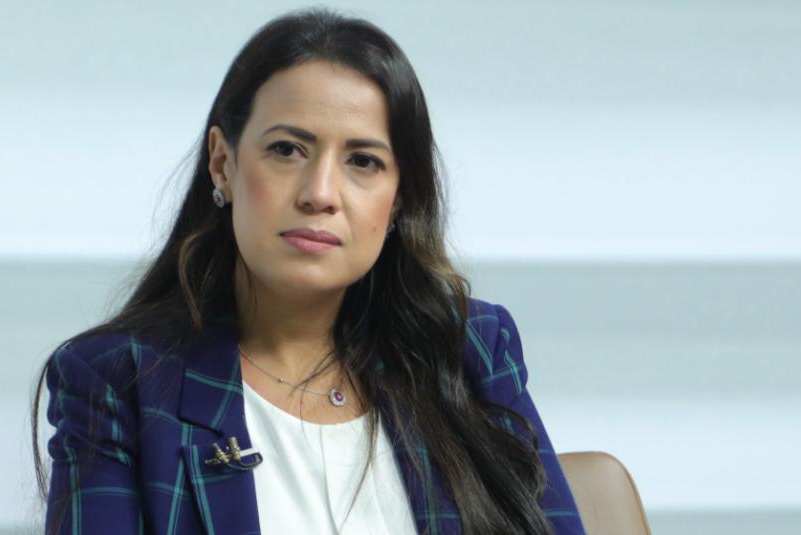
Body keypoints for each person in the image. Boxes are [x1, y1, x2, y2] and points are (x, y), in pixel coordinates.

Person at [31, 6, 586, 535]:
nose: (320, 193)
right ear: (222, 163)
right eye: (287, 150)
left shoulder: (469, 349)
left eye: (363, 161)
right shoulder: (119, 381)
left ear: (399, 197)